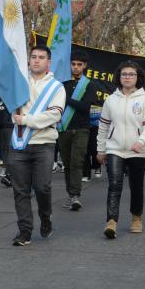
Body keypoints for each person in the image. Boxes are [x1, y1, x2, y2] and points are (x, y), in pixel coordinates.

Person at [8, 45, 66, 246]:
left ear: (48, 62)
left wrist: (26, 120)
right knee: (20, 190)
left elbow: (54, 115)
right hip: (19, 144)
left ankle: (46, 216)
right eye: (33, 57)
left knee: (42, 187)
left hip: (44, 143)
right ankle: (24, 231)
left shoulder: (57, 87)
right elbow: (9, 107)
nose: (36, 60)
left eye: (41, 57)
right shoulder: (19, 82)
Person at [97, 61, 145, 239]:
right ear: (119, 77)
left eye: (131, 74)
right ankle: (111, 222)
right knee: (114, 186)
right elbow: (103, 126)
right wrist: (101, 149)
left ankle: (136, 218)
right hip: (115, 149)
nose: (127, 77)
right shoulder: (111, 99)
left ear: (138, 77)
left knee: (136, 186)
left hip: (138, 151)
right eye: (124, 74)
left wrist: (141, 141)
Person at [58, 49, 99, 211]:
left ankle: (75, 195)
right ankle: (70, 194)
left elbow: (85, 107)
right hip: (64, 128)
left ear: (85, 66)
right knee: (67, 164)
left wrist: (67, 99)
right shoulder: (63, 83)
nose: (75, 67)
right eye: (73, 64)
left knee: (77, 162)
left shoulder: (89, 84)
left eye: (79, 65)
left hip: (82, 129)